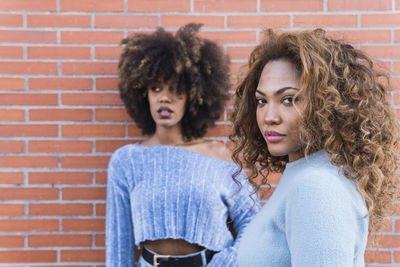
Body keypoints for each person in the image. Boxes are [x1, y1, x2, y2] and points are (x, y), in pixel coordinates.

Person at [230, 28, 399, 266]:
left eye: (288, 99)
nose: (269, 116)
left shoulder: (317, 186)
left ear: (327, 104)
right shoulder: (306, 172)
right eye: (262, 101)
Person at [105, 23, 259, 267]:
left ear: (193, 97)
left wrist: (228, 261)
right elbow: (118, 245)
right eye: (156, 88)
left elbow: (253, 220)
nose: (164, 97)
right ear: (144, 94)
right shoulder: (127, 161)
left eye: (176, 89)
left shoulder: (218, 156)